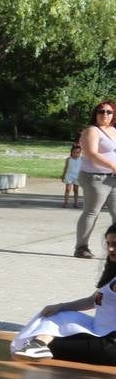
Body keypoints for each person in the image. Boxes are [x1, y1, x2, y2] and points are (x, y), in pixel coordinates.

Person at [14, 224, 116, 364]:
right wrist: (60, 306)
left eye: (115, 244)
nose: (110, 249)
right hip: (99, 332)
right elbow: (92, 300)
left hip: (109, 345)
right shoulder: (113, 274)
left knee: (47, 342)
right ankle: (38, 345)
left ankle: (38, 345)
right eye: (108, 243)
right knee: (60, 314)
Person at [74, 100, 116, 259]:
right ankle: (81, 247)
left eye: (109, 112)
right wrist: (113, 166)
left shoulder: (113, 130)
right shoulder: (91, 131)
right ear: (95, 114)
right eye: (101, 111)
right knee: (92, 212)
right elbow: (91, 153)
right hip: (95, 178)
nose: (105, 114)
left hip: (113, 178)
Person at [62, 144, 83, 208]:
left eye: (77, 152)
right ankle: (65, 203)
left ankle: (76, 203)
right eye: (74, 152)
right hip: (69, 175)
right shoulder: (68, 159)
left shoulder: (82, 159)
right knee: (67, 189)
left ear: (80, 153)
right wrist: (63, 175)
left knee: (76, 190)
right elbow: (66, 167)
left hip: (77, 176)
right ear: (71, 152)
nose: (75, 154)